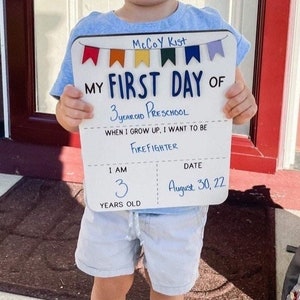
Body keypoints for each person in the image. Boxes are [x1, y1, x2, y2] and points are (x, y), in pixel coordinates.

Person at [51, 1, 257, 299]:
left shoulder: (208, 29)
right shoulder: (90, 34)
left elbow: (236, 109)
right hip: (112, 198)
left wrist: (243, 107)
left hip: (180, 203)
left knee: (167, 289)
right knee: (110, 283)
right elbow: (68, 115)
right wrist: (65, 111)